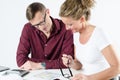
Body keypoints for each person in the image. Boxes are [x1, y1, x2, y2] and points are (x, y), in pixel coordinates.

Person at [59, 0, 120, 80]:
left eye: (70, 24)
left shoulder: (99, 34)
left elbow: (117, 68)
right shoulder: (76, 34)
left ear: (82, 19)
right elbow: (79, 65)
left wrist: (88, 78)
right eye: (65, 24)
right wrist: (72, 63)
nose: (67, 28)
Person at [16, 2, 74, 70]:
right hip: (36, 76)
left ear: (48, 12)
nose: (41, 28)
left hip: (59, 75)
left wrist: (39, 65)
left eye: (42, 22)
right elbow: (21, 60)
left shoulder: (66, 28)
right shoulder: (28, 28)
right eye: (36, 25)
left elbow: (67, 62)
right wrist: (55, 63)